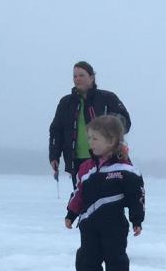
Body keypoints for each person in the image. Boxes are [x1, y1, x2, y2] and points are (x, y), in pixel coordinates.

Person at [64, 116, 144, 271]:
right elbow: (78, 192)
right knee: (86, 259)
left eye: (95, 138)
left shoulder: (125, 169)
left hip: (114, 226)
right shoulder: (86, 168)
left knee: (115, 260)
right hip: (89, 224)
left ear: (112, 141)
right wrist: (71, 213)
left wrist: (136, 219)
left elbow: (136, 195)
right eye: (89, 138)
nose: (90, 142)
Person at [49, 61, 130, 189]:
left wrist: (111, 126)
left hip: (105, 159)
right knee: (82, 199)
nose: (77, 79)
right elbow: (56, 131)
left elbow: (125, 122)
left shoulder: (107, 98)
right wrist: (54, 155)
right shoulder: (66, 103)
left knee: (106, 199)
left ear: (91, 78)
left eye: (81, 75)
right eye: (75, 76)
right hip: (77, 162)